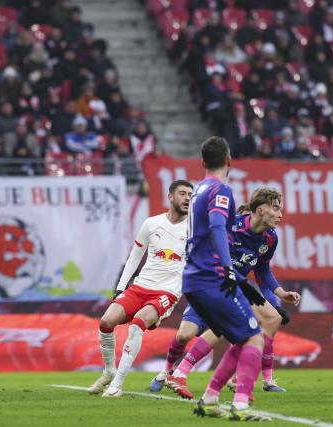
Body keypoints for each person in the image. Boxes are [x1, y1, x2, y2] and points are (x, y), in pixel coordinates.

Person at [150, 188, 301, 399]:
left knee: (271, 319)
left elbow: (262, 269)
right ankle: (173, 371)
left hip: (233, 287)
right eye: (275, 208)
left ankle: (251, 378)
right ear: (259, 210)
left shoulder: (270, 239)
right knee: (188, 334)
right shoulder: (232, 226)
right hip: (210, 281)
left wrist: (279, 293)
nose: (280, 214)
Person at [183, 136, 271, 421]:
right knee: (255, 340)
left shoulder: (198, 189)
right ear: (229, 160)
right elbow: (219, 228)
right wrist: (231, 271)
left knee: (240, 338)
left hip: (194, 279)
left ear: (203, 162)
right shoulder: (220, 189)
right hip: (213, 278)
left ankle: (210, 399)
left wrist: (242, 281)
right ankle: (242, 406)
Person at [87, 180, 193, 397]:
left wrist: (181, 289)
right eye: (182, 193)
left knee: (137, 324)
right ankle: (108, 371)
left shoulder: (194, 228)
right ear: (170, 197)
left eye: (190, 195)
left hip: (167, 291)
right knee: (106, 322)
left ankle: (117, 383)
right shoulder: (152, 223)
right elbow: (135, 256)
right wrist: (120, 288)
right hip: (141, 285)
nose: (187, 198)